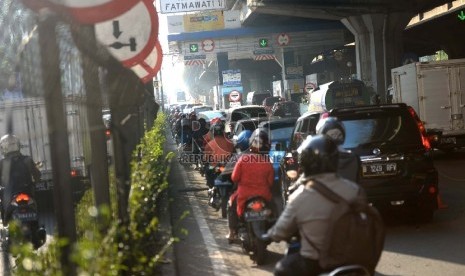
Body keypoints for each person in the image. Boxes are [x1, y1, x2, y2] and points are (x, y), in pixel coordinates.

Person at [265, 135, 366, 276]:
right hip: (353, 261)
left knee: (281, 269)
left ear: (306, 163)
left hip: (314, 263)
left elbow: (280, 231)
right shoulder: (354, 190)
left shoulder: (299, 195)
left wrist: (268, 235)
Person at [227, 129, 274, 242]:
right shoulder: (267, 162)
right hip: (264, 196)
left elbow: (234, 178)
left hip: (244, 196)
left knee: (231, 205)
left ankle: (232, 232)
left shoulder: (243, 160)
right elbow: (270, 182)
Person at [0, 134, 41, 224]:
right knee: (36, 201)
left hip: (10, 195)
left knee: (3, 202)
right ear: (18, 145)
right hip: (27, 192)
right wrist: (35, 181)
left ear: (3, 148)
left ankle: (5, 221)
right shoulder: (27, 159)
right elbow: (37, 175)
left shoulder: (2, 163)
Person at [315, 117, 361, 183]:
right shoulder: (354, 158)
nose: (335, 137)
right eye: (332, 135)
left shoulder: (319, 160)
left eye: (338, 134)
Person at [203, 120, 234, 187]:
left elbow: (206, 159)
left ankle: (210, 186)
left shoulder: (209, 144)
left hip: (215, 167)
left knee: (207, 169)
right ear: (223, 132)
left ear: (214, 132)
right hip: (227, 168)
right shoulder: (230, 143)